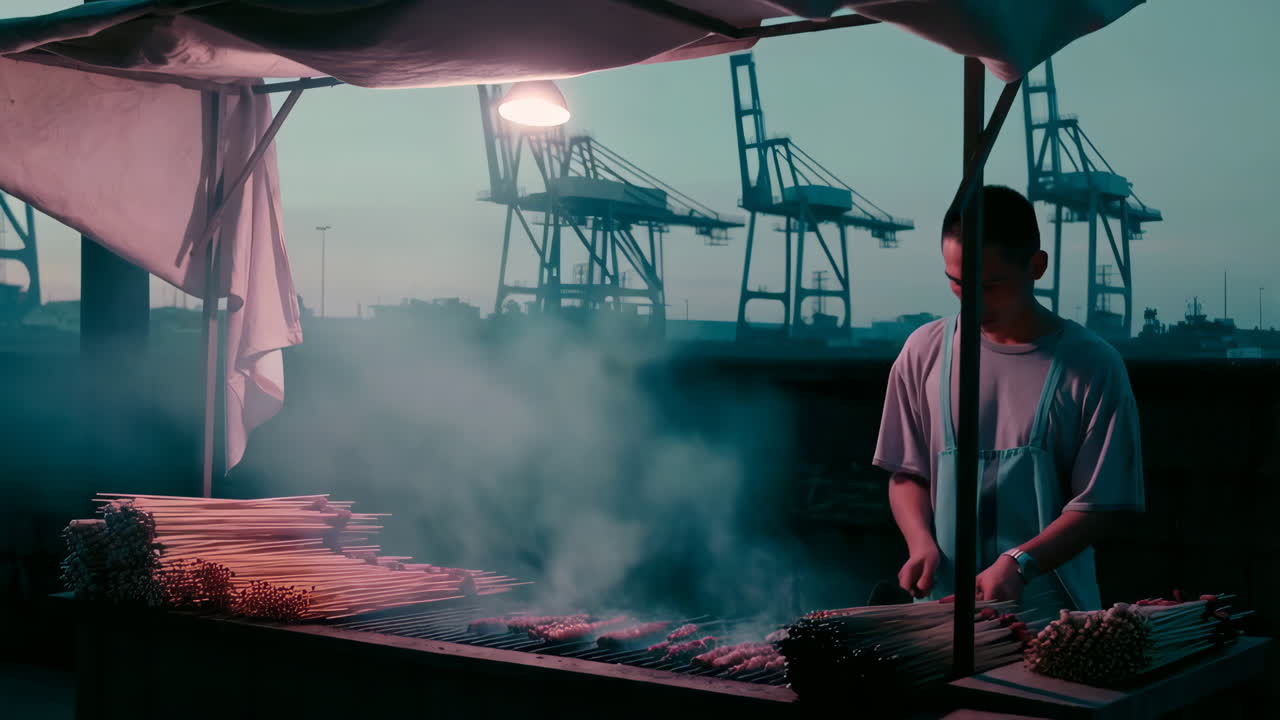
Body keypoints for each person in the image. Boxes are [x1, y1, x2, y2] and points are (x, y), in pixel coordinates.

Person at [873, 185, 1144, 616]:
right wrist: (920, 541)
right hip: (941, 614)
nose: (972, 299)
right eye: (957, 282)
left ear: (1037, 266)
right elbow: (908, 474)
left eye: (991, 285)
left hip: (1054, 619)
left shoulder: (1092, 365)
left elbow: (1100, 504)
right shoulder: (924, 352)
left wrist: (1020, 563)